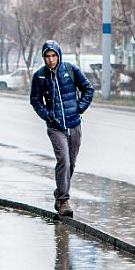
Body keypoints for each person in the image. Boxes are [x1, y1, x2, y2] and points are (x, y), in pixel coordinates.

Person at [29, 40, 94, 217]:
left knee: (71, 163)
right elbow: (35, 100)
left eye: (53, 55)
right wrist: (47, 115)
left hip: (74, 124)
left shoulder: (70, 70)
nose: (51, 60)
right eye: (47, 56)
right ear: (44, 57)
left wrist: (79, 107)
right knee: (63, 160)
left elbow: (88, 89)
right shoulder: (40, 76)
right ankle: (64, 201)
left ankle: (59, 194)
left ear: (59, 55)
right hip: (55, 127)